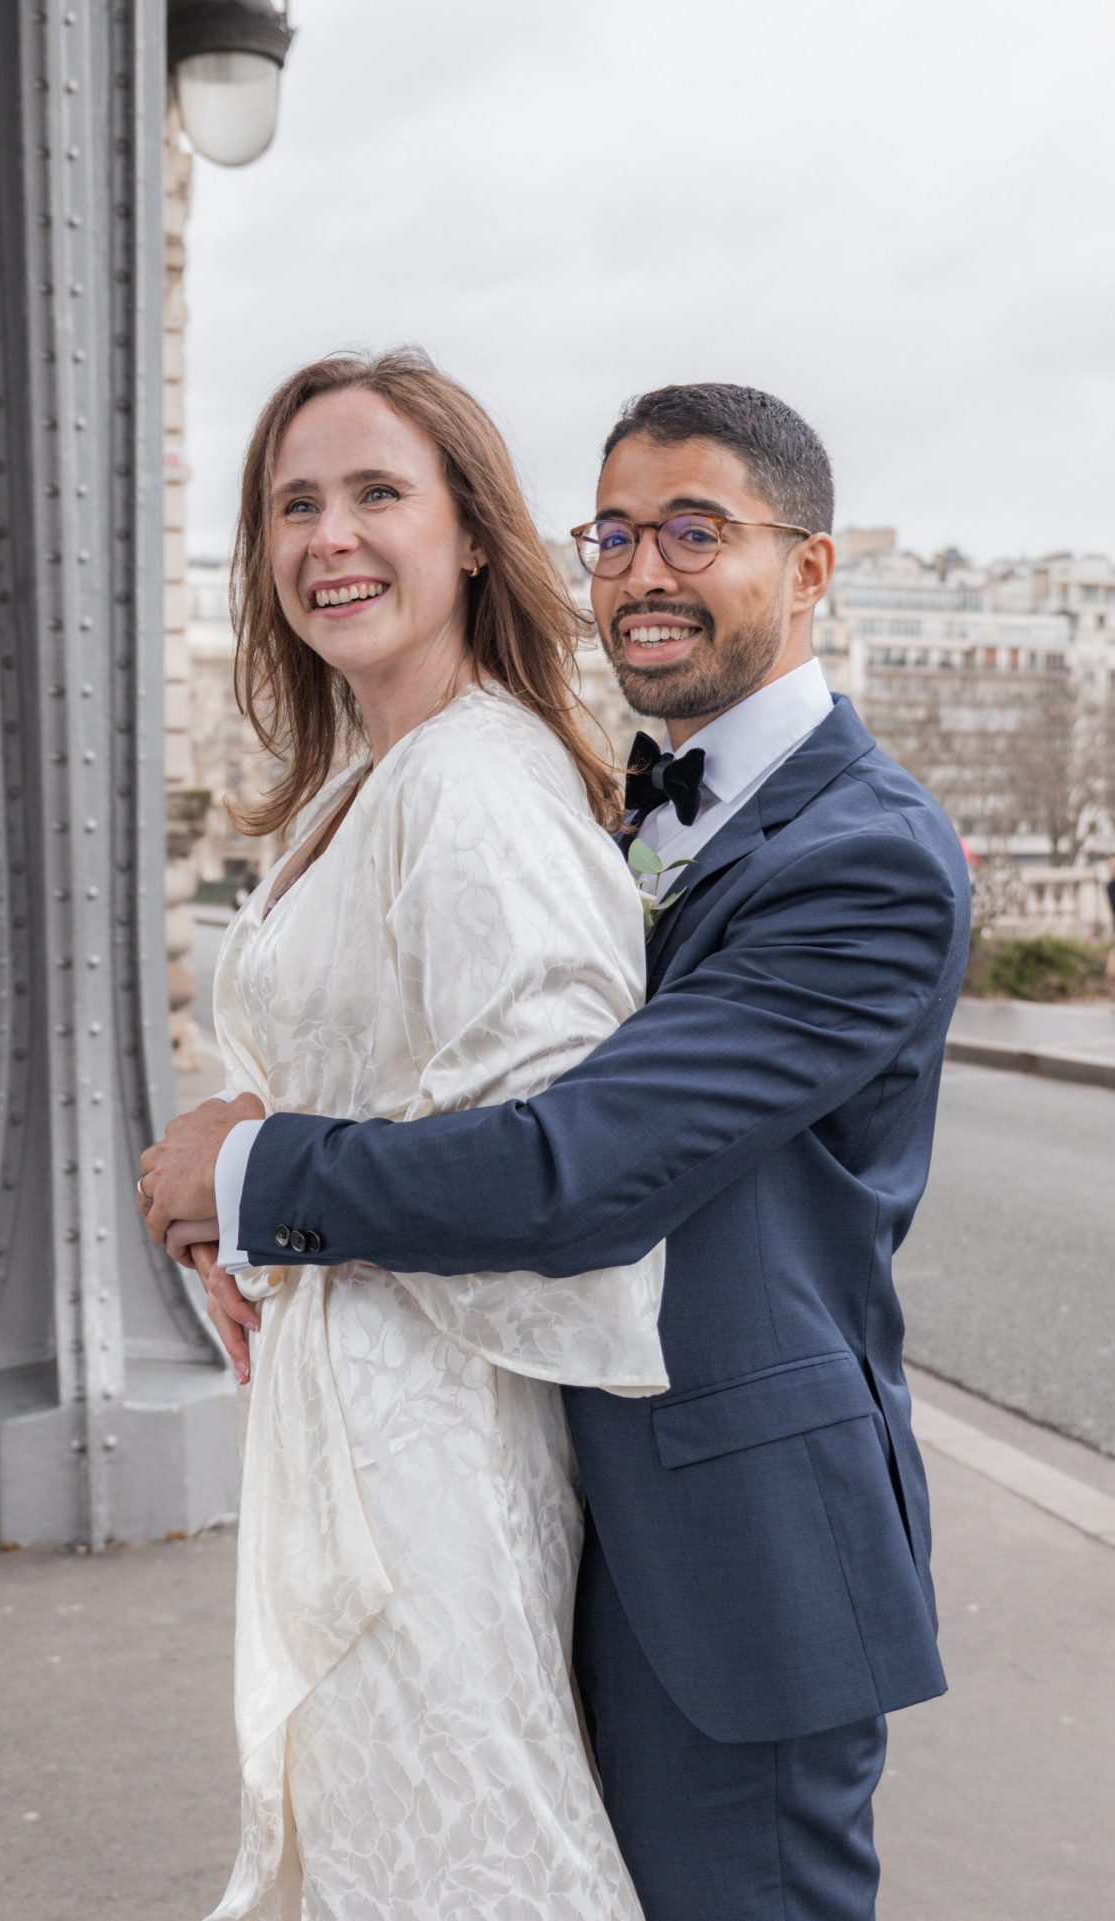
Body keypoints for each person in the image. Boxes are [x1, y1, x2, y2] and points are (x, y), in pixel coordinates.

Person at [141, 382, 972, 1921]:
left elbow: (574, 1168)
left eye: (696, 532)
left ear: (809, 568)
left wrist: (252, 1177)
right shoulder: (624, 800)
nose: (644, 573)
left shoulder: (869, 856)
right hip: (550, 1482)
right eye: (616, 534)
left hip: (733, 1549)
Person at [142, 349, 668, 1920]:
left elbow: (550, 1169)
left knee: (459, 1856)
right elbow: (375, 1092)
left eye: (378, 492)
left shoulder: (479, 784)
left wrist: (250, 1173)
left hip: (430, 1462)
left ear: (474, 536)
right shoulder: (365, 782)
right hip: (353, 1438)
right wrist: (240, 1200)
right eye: (293, 503)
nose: (330, 538)